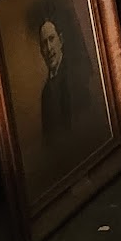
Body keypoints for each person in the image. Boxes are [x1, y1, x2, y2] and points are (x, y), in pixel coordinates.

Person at [39, 12, 74, 149]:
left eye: (51, 39)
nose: (49, 48)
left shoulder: (74, 74)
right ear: (41, 51)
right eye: (44, 44)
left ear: (61, 40)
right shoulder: (45, 93)